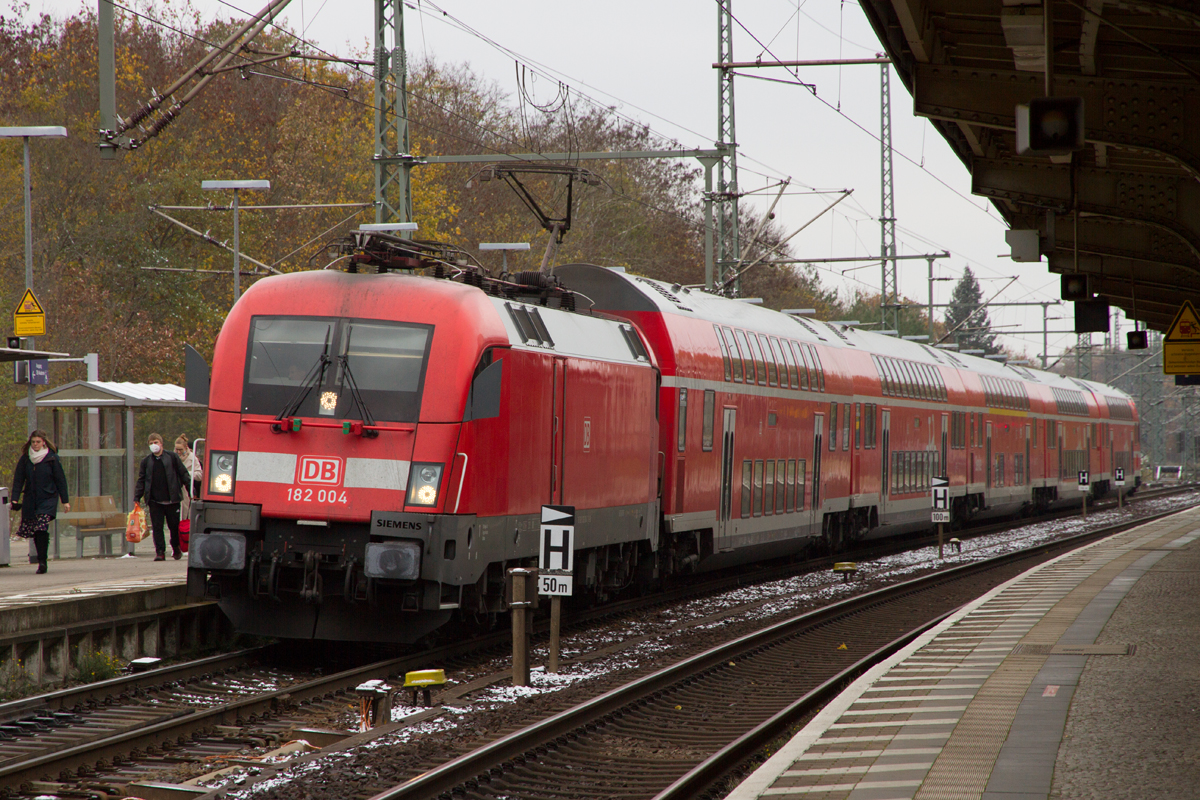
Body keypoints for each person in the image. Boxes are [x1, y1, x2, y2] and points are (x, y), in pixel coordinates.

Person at [11, 430, 70, 574]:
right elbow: (19, 479)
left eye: (38, 442)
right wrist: (15, 497)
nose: (35, 445)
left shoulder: (51, 458)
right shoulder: (26, 459)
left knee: (42, 526)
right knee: (36, 529)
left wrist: (65, 500)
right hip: (31, 499)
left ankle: (42, 562)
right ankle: (41, 558)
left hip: (48, 498)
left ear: (43, 442)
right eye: (33, 442)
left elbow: (60, 480)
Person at [134, 432, 192, 561]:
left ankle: (176, 547)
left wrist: (190, 491)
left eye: (156, 443)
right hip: (155, 501)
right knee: (157, 527)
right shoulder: (146, 461)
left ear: (161, 443)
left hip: (172, 500)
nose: (154, 445)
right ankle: (160, 551)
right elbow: (142, 480)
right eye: (151, 443)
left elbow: (183, 474)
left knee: (174, 527)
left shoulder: (172, 457)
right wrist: (137, 497)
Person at [174, 434, 203, 525]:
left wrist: (186, 474)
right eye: (176, 449)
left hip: (186, 490)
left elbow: (200, 475)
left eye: (180, 450)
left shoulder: (193, 459)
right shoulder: (171, 457)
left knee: (185, 515)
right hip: (173, 490)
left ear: (186, 447)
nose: (178, 452)